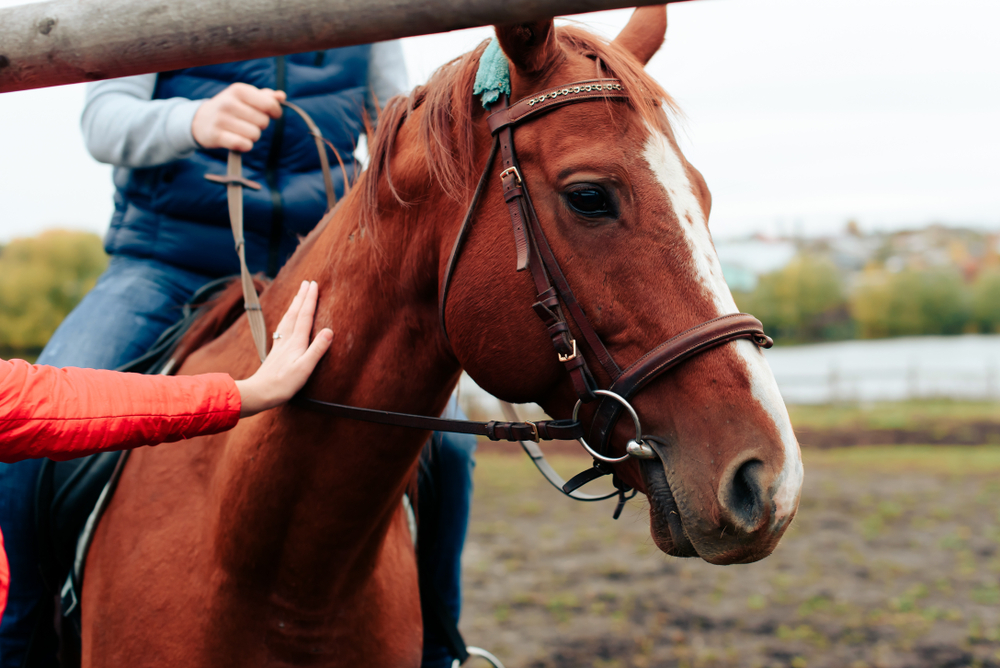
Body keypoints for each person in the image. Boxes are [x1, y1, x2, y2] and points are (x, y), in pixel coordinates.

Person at [0, 45, 475, 668]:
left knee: (454, 442)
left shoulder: (371, 17)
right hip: (165, 264)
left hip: (314, 267)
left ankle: (443, 649)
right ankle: (19, 645)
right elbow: (103, 120)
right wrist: (191, 120)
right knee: (29, 453)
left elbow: (394, 119)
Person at [0, 281, 331, 619]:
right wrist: (248, 392)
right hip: (164, 264)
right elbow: (50, 402)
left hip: (294, 258)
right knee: (20, 479)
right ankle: (20, 636)